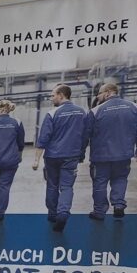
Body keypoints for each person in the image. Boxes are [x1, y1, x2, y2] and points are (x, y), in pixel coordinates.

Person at [83, 82, 137, 220]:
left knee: (100, 182)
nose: (98, 97)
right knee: (120, 179)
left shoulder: (95, 111)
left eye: (99, 93)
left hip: (100, 156)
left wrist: (80, 153)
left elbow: (86, 134)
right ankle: (118, 205)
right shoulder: (133, 107)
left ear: (107, 92)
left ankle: (99, 212)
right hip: (123, 155)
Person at [31, 84, 86, 232]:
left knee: (52, 185)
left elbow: (43, 138)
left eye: (53, 95)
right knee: (67, 186)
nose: (51, 98)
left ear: (61, 95)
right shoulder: (82, 113)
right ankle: (63, 213)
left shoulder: (52, 114)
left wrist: (36, 159)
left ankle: (52, 213)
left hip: (52, 156)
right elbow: (86, 135)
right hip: (71, 156)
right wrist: (81, 153)